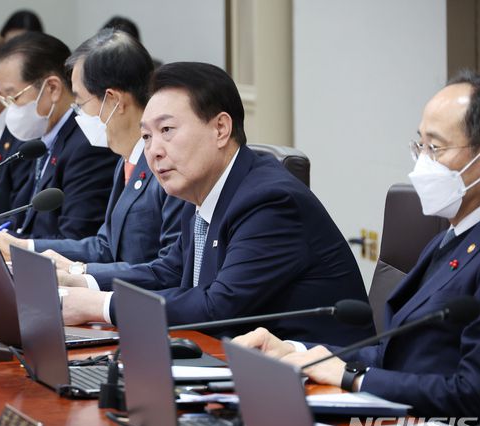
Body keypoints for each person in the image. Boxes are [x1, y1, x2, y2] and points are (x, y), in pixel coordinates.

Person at [234, 71, 480, 420]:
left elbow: (476, 393)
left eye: (435, 148)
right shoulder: (451, 236)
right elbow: (394, 356)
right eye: (419, 145)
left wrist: (353, 378)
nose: (421, 163)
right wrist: (295, 350)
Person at [59, 62, 373, 344]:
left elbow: (218, 306)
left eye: (167, 130)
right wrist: (83, 281)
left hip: (313, 375)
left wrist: (101, 305)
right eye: (147, 137)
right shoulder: (200, 188)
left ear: (220, 129)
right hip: (229, 360)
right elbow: (168, 272)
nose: (153, 151)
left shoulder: (270, 202)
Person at [0, 29, 184, 280]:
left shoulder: (167, 165)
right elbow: (104, 246)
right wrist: (24, 247)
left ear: (114, 100)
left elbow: (169, 270)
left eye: (81, 103)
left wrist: (80, 274)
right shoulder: (126, 160)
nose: (77, 114)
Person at [0, 32, 118, 239]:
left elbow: (73, 240)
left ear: (52, 88)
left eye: (13, 97)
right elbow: (21, 221)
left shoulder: (86, 146)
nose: (8, 108)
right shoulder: (42, 140)